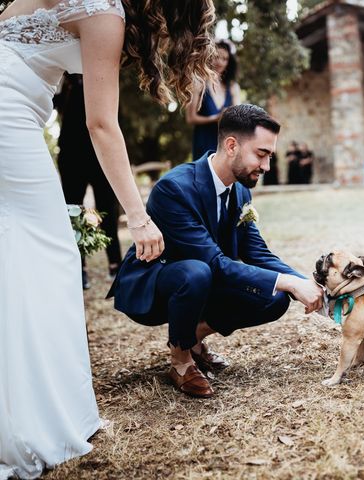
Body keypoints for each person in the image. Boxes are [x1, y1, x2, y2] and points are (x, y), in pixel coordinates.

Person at [0, 0, 216, 477]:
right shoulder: (104, 10)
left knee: (13, 255)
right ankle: (40, 419)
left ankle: (26, 407)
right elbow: (100, 124)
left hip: (13, 111)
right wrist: (137, 217)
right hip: (7, 118)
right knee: (52, 253)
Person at [107, 105, 324, 398]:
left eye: (269, 156)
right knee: (197, 272)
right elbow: (213, 263)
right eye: (261, 154)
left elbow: (257, 252)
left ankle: (192, 336)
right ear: (232, 146)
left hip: (205, 279)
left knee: (275, 297)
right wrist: (289, 282)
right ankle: (180, 360)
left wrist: (306, 284)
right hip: (160, 284)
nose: (266, 167)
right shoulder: (174, 189)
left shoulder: (242, 190)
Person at [54, 73, 123, 288]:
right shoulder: (65, 81)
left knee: (108, 210)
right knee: (74, 211)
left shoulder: (103, 75)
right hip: (71, 154)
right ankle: (79, 267)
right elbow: (54, 106)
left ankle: (116, 265)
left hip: (99, 154)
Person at [187, 39, 241, 160]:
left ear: (229, 62)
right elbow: (190, 118)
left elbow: (238, 118)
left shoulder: (233, 87)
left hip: (225, 143)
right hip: (203, 141)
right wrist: (215, 118)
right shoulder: (199, 83)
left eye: (225, 59)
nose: (220, 62)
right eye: (216, 56)